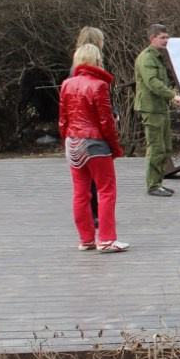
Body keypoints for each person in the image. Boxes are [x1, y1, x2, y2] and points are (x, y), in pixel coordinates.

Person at [59, 43, 127, 252]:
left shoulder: (66, 84)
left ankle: (86, 239)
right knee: (106, 190)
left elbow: (63, 120)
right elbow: (106, 121)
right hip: (95, 142)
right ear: (97, 61)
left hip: (73, 141)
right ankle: (106, 239)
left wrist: (66, 140)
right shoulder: (99, 85)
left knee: (80, 192)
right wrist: (115, 147)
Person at [134, 24, 180, 197]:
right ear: (152, 39)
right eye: (163, 37)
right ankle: (153, 185)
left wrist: (171, 99)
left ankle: (158, 183)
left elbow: (162, 84)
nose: (166, 40)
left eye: (167, 37)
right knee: (156, 147)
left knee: (166, 148)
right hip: (151, 109)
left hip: (160, 108)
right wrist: (172, 96)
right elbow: (153, 83)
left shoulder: (158, 57)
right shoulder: (147, 58)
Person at [73, 26, 108, 229]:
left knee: (85, 183)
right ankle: (94, 215)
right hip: (90, 133)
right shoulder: (92, 71)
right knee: (95, 182)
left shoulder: (77, 69)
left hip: (76, 134)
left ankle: (87, 228)